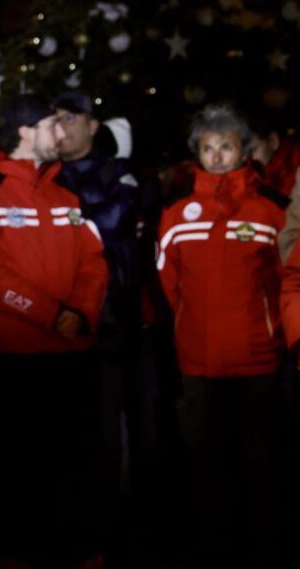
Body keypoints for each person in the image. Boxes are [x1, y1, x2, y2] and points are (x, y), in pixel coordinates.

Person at [0, 94, 108, 569]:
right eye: (53, 124)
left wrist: (82, 314)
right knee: (19, 467)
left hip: (73, 354)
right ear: (25, 132)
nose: (62, 134)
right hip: (13, 359)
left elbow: (94, 262)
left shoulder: (68, 194)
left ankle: (79, 549)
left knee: (77, 461)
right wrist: (50, 314)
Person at [157, 104, 292, 568]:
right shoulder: (176, 214)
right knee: (207, 467)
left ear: (243, 152)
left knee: (262, 467)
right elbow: (167, 284)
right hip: (198, 365)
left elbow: (286, 281)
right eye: (207, 148)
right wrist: (189, 327)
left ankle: (266, 552)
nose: (216, 157)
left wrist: (274, 335)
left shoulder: (271, 211)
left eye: (226, 147)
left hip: (258, 363)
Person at [54, 91, 142, 556]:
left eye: (72, 117)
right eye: (56, 118)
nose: (62, 126)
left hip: (110, 325)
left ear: (92, 125)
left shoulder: (116, 172)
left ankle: (118, 529)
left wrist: (61, 224)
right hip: (56, 326)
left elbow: (111, 224)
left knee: (113, 434)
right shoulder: (47, 175)